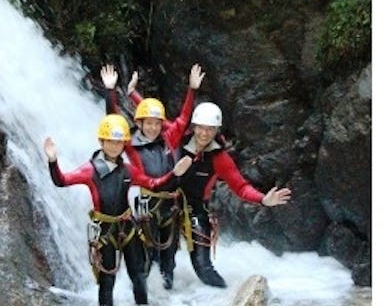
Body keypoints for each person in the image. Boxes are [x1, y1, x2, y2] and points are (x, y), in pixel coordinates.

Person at [44, 114, 192, 306]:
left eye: (119, 142)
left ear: (124, 144)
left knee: (138, 275)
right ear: (101, 141)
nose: (115, 146)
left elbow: (153, 185)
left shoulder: (128, 171)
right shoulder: (89, 171)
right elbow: (62, 181)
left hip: (128, 227)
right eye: (110, 142)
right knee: (107, 281)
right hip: (105, 231)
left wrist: (174, 174)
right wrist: (53, 161)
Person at [99, 64, 204, 290]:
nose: (154, 128)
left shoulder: (169, 138)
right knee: (148, 255)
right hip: (148, 206)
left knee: (169, 255)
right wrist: (110, 91)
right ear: (140, 123)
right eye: (149, 123)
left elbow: (185, 118)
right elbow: (114, 120)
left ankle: (170, 294)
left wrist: (192, 90)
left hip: (171, 205)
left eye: (157, 123)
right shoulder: (131, 145)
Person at [172, 101, 293, 288]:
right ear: (194, 126)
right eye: (201, 128)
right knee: (160, 259)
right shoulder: (178, 140)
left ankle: (224, 295)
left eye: (210, 130)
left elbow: (240, 187)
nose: (204, 134)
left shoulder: (219, 158)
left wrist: (263, 199)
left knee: (203, 267)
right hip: (166, 203)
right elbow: (153, 126)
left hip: (195, 208)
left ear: (216, 131)